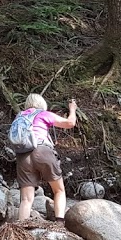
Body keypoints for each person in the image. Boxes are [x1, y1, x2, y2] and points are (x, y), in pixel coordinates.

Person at [15, 93, 77, 223]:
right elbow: (70, 123)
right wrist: (72, 109)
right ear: (42, 104)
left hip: (23, 155)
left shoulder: (20, 116)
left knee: (26, 199)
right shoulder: (43, 114)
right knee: (59, 190)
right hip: (42, 150)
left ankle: (21, 229)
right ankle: (59, 223)